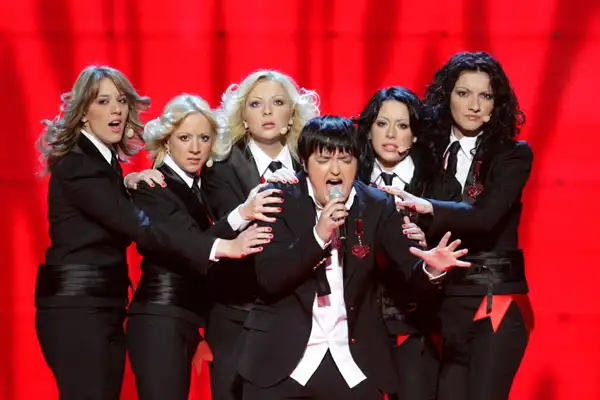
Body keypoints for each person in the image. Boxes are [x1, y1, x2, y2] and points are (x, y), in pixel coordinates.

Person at [238, 115, 470, 399]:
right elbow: (270, 278)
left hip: (352, 361)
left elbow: (410, 267)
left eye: (346, 160)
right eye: (324, 160)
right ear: (305, 164)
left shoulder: (377, 205)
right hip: (281, 361)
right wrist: (319, 236)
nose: (336, 170)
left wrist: (431, 269)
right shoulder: (277, 199)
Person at [381, 52, 533, 400]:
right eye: (464, 93)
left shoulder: (512, 155)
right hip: (440, 304)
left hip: (493, 299)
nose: (474, 105)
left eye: (485, 96)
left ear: (496, 105)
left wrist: (427, 207)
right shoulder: (425, 152)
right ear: (446, 96)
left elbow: (484, 218)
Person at [125, 94, 273, 400]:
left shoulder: (202, 186)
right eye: (184, 138)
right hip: (159, 318)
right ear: (166, 141)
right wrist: (238, 223)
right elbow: (187, 239)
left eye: (204, 138)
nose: (195, 148)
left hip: (186, 319)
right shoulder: (153, 185)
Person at [201, 70, 319, 399]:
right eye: (256, 104)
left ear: (292, 114)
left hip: (298, 317)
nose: (267, 111)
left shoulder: (312, 166)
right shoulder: (220, 168)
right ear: (243, 116)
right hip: (236, 314)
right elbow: (215, 234)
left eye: (277, 103)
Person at [355, 86, 462, 400]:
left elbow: (456, 250)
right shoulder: (349, 177)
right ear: (369, 130)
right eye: (382, 123)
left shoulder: (441, 186)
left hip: (417, 323)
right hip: (355, 324)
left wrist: (426, 246)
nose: (391, 134)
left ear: (415, 134)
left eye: (402, 125)